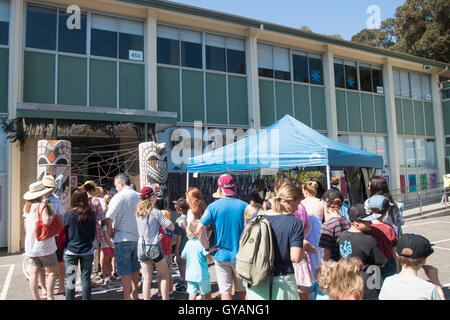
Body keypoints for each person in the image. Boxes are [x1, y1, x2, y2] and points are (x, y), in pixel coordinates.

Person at [245, 180, 305, 300]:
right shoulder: (294, 223)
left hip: (256, 276)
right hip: (283, 279)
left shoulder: (256, 217)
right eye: (297, 204)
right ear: (289, 201)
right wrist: (305, 248)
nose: (298, 208)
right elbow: (296, 257)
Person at [196, 174, 248, 300]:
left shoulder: (213, 207)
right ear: (234, 187)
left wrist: (207, 248)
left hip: (221, 254)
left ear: (220, 189)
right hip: (242, 255)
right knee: (246, 291)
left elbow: (199, 230)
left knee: (226, 291)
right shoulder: (245, 206)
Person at [338, 203, 387, 300]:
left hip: (348, 283)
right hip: (367, 284)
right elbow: (382, 262)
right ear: (356, 222)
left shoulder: (342, 236)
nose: (371, 223)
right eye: (367, 221)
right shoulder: (368, 240)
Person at [104, 174, 141, 300]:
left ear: (121, 183)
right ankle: (135, 293)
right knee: (135, 268)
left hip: (122, 238)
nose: (115, 188)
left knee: (124, 269)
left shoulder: (118, 197)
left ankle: (126, 296)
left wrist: (109, 232)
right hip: (137, 237)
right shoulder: (139, 196)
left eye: (116, 185)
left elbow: (109, 217)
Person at [136, 186, 174, 300]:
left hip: (141, 246)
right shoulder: (156, 212)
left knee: (146, 278)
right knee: (164, 275)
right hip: (153, 246)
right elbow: (171, 226)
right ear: (151, 197)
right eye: (155, 195)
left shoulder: (137, 212)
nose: (156, 198)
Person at [379, 234, 445, 300]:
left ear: (397, 255)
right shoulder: (429, 289)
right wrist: (436, 283)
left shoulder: (388, 282)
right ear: (424, 260)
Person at [23, 181, 59, 300]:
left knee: (34, 272)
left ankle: (36, 297)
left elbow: (26, 224)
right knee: (53, 269)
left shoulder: (27, 206)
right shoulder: (42, 205)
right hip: (43, 243)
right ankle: (50, 296)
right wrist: (52, 214)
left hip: (31, 242)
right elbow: (46, 221)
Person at [63, 188, 97, 300]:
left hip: (71, 249)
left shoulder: (68, 214)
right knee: (86, 278)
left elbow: (65, 232)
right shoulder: (91, 214)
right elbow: (93, 233)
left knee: (70, 279)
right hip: (87, 249)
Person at [364, 195, 399, 279]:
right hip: (389, 265)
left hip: (371, 267)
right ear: (386, 211)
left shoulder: (366, 228)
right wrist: (397, 270)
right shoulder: (389, 228)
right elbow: (395, 252)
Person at [41, 175, 65, 296]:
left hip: (55, 236)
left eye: (52, 187)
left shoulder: (56, 199)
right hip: (42, 237)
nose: (50, 190)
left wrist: (63, 231)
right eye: (48, 187)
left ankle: (61, 286)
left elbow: (60, 215)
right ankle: (44, 289)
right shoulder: (38, 200)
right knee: (41, 265)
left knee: (60, 262)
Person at [182, 219, 215, 300]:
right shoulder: (202, 243)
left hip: (190, 275)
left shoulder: (188, 243)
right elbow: (209, 258)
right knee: (206, 293)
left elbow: (183, 256)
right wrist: (211, 257)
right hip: (202, 275)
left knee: (192, 294)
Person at [81, 181, 106, 282]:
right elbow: (101, 215)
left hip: (81, 228)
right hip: (93, 228)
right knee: (91, 252)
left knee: (82, 253)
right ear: (92, 190)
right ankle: (88, 278)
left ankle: (82, 277)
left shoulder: (80, 200)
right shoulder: (95, 200)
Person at [319, 189, 350, 262]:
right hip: (347, 265)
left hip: (334, 267)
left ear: (326, 205)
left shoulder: (327, 226)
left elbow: (326, 254)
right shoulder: (348, 223)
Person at [173, 198, 189, 292]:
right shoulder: (191, 218)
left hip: (182, 246)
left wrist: (176, 248)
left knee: (181, 264)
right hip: (189, 245)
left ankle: (185, 283)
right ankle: (184, 281)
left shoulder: (179, 220)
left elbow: (178, 237)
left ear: (179, 209)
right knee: (185, 264)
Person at [100, 219, 115, 285]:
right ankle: (104, 277)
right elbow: (106, 238)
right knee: (105, 263)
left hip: (110, 245)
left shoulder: (109, 226)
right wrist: (113, 247)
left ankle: (109, 275)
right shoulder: (104, 227)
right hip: (106, 246)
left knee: (109, 262)